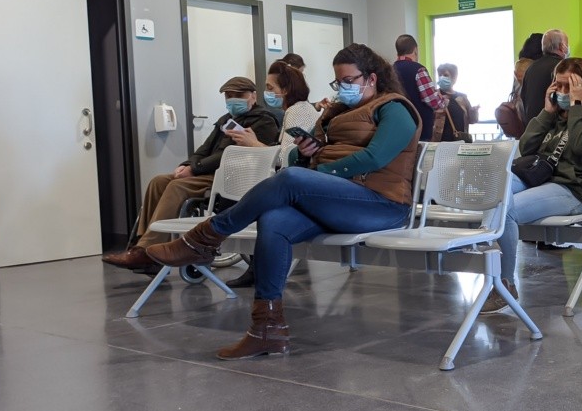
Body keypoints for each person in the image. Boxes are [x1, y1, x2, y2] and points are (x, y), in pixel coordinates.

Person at [145, 44, 422, 360]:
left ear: (371, 78)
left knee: (291, 180)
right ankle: (267, 330)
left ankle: (204, 237)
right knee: (273, 220)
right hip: (339, 200)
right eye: (338, 81)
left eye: (349, 80)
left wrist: (318, 173)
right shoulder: (335, 113)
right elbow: (300, 159)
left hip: (382, 204)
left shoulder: (395, 109)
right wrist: (305, 154)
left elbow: (375, 158)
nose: (342, 87)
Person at [102, 77, 280, 273]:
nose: (233, 100)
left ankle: (146, 251)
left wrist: (195, 169)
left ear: (253, 96)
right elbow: (205, 149)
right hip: (209, 173)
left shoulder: (263, 121)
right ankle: (142, 243)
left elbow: (232, 156)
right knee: (158, 182)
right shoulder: (225, 120)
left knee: (177, 186)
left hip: (232, 177)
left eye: (239, 95)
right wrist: (186, 165)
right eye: (229, 96)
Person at [481, 57, 582, 313]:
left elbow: (580, 146)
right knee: (494, 193)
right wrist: (546, 112)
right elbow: (526, 147)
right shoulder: (554, 117)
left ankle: (504, 285)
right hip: (541, 180)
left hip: (575, 191)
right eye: (558, 85)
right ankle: (491, 268)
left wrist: (576, 106)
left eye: (568, 86)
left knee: (506, 210)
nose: (562, 92)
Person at [223, 60, 321, 289]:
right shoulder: (299, 110)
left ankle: (255, 267)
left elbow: (285, 158)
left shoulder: (297, 111)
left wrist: (254, 144)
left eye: (270, 88)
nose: (267, 93)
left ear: (285, 90)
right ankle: (256, 267)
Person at [392, 34, 446, 141]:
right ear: (415, 50)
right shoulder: (418, 70)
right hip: (419, 129)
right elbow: (432, 100)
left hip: (396, 127)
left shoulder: (389, 70)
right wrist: (443, 101)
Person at [519, 29, 569, 124]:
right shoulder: (563, 68)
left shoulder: (531, 68)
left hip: (532, 127)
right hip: (553, 128)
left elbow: (523, 98)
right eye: (567, 44)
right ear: (562, 47)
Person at [436, 62, 475, 141]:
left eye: (446, 75)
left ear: (454, 78)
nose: (442, 78)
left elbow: (472, 120)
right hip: (439, 141)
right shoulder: (434, 95)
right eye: (440, 75)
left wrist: (473, 112)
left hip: (459, 141)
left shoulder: (462, 97)